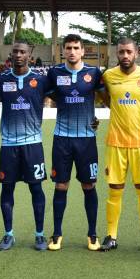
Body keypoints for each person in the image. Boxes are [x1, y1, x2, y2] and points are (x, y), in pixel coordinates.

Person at [99, 37, 140, 251]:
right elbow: (105, 98)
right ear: (117, 53)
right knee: (114, 188)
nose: (125, 56)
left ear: (137, 53)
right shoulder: (108, 76)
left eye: (129, 52)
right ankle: (111, 235)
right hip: (115, 143)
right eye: (121, 52)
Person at [46, 34, 103, 251]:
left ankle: (92, 234)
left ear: (82, 51)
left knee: (88, 185)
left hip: (86, 139)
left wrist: (96, 118)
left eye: (75, 48)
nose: (72, 51)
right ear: (63, 51)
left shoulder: (93, 73)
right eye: (68, 47)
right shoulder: (54, 73)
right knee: (61, 185)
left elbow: (106, 97)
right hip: (62, 138)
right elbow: (39, 95)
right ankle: (57, 233)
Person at [0, 41, 49, 251]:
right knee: (7, 188)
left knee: (36, 188)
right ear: (10, 54)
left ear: (30, 55)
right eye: (15, 51)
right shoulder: (1, 80)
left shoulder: (40, 80)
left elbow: (65, 98)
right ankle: (8, 234)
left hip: (33, 143)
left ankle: (40, 234)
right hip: (8, 144)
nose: (18, 55)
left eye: (23, 52)